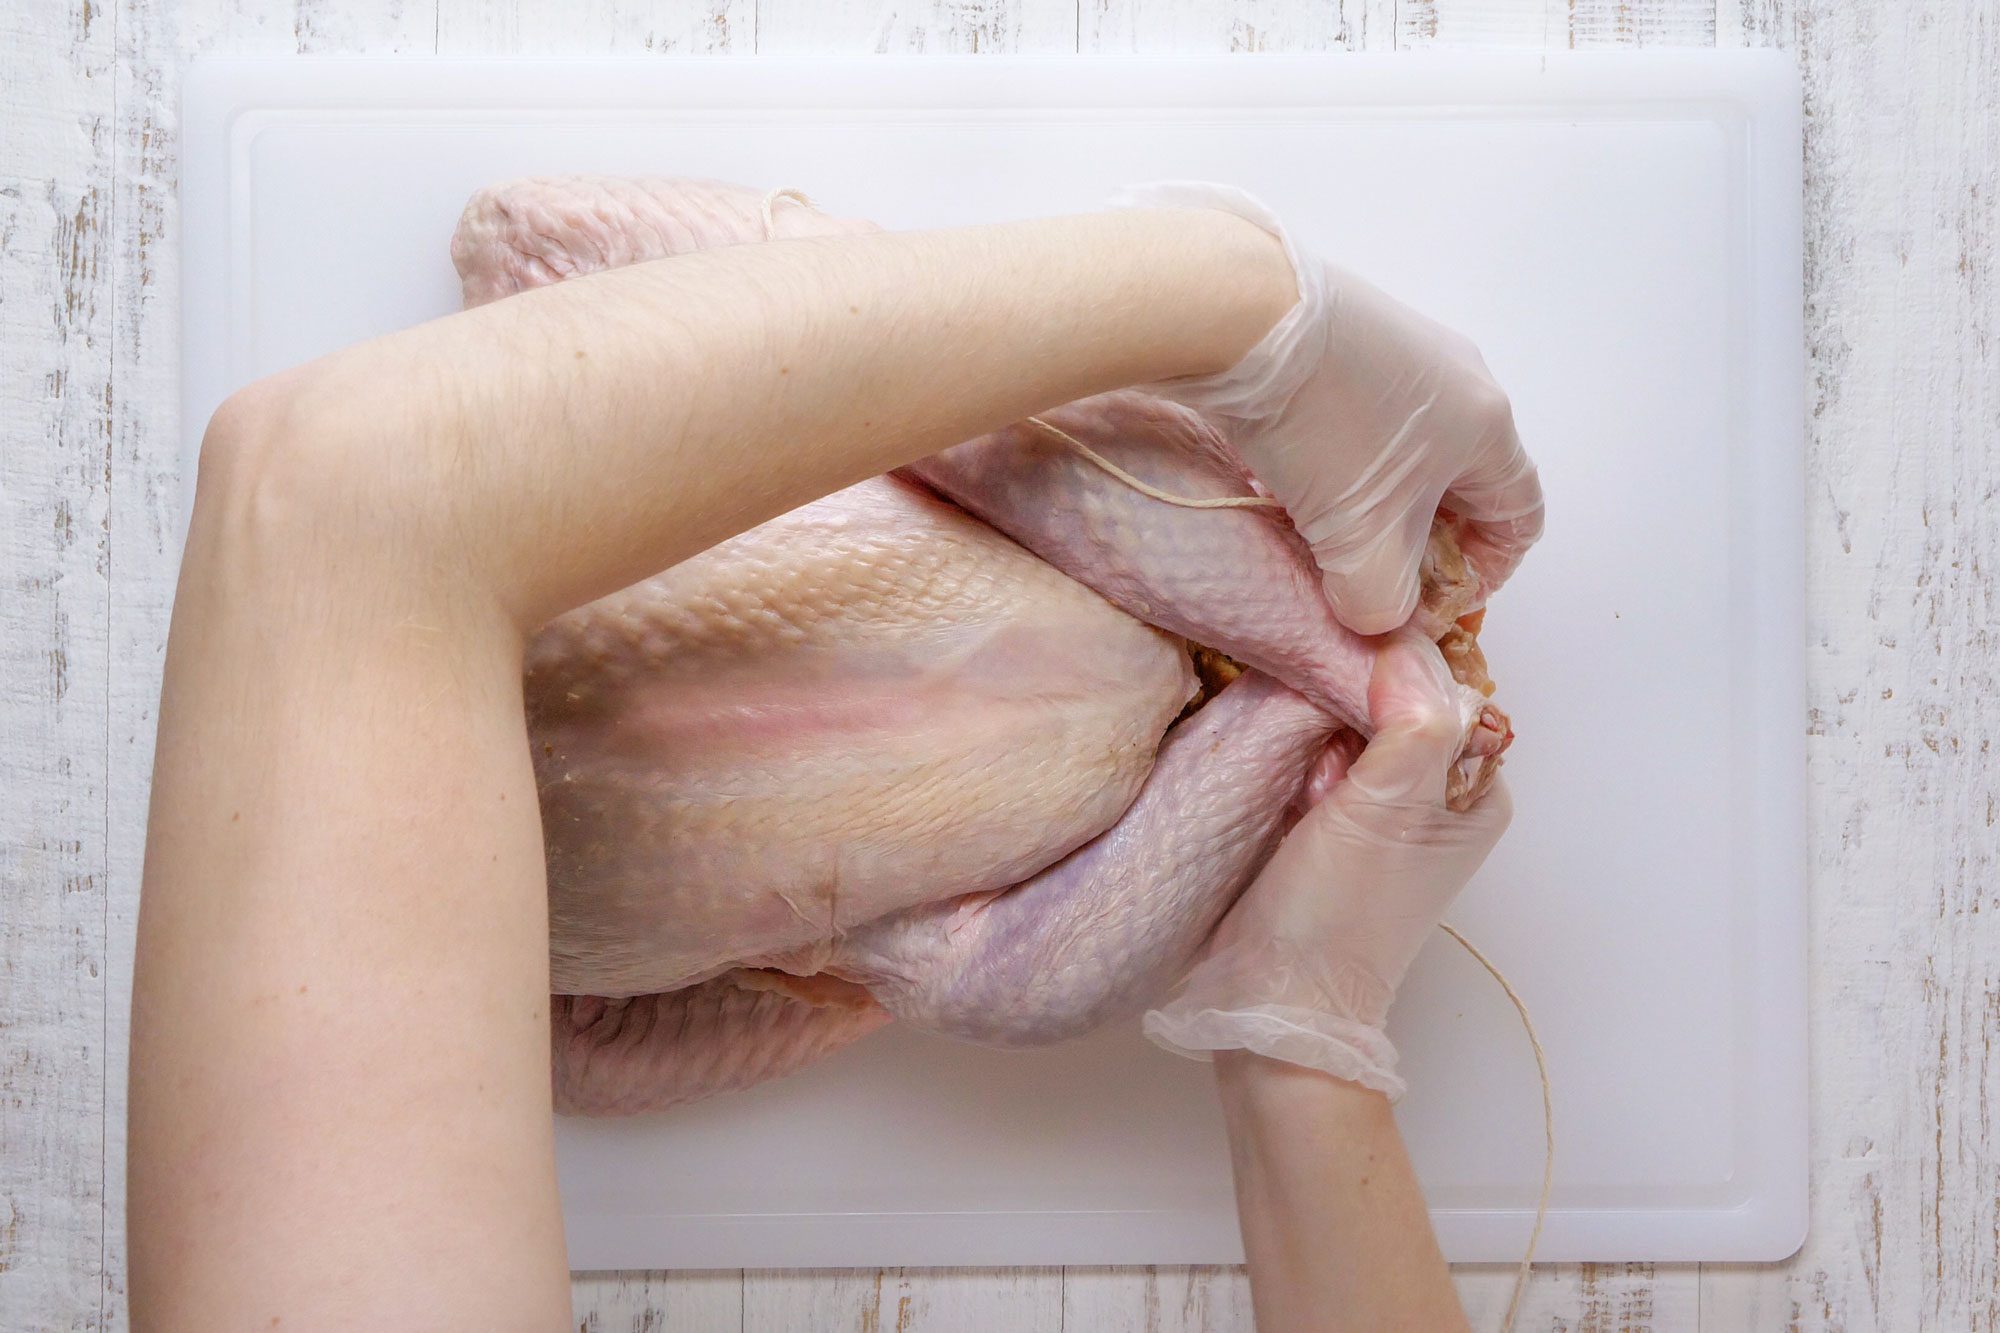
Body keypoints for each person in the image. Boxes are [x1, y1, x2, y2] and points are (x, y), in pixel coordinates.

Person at [129, 184, 1540, 1330]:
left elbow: (329, 479)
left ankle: (1338, 664)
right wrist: (1301, 1035)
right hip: (907, 730)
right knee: (985, 981)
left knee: (964, 975)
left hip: (799, 734)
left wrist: (1229, 289)